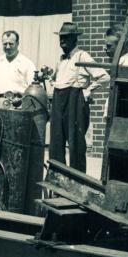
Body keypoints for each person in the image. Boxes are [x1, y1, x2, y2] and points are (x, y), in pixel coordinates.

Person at [47, 22, 95, 172]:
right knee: (56, 141)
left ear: (75, 39)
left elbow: (103, 77)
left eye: (66, 38)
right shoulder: (61, 59)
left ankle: (77, 180)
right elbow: (57, 79)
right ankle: (57, 178)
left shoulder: (82, 56)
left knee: (76, 143)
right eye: (61, 38)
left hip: (75, 101)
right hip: (58, 100)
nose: (62, 41)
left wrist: (86, 93)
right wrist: (51, 80)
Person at [96, 27, 128, 118]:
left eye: (109, 46)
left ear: (122, 46)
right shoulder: (116, 64)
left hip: (122, 113)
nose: (105, 49)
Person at [0, 30, 37, 101]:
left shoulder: (27, 63)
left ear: (17, 43)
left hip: (19, 102)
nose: (8, 47)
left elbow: (33, 87)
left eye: (11, 44)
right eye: (5, 44)